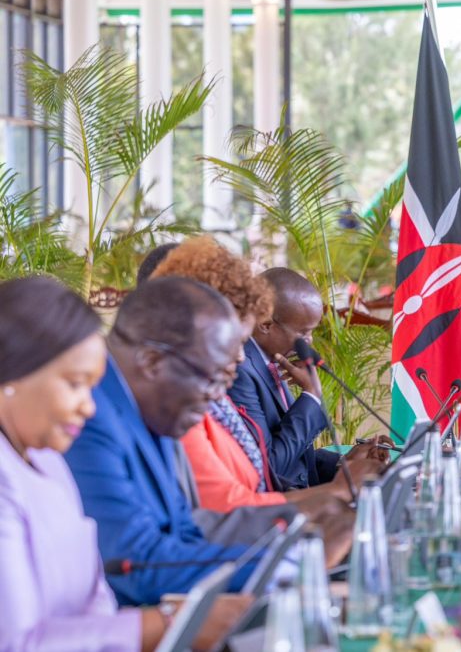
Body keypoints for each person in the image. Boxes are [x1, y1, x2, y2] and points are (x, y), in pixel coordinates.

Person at [0, 276, 249, 650]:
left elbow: (96, 598)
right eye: (74, 383)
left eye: (91, 384)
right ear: (12, 374)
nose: (88, 404)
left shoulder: (49, 462)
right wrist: (169, 623)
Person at [65, 277, 270, 605]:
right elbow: (135, 564)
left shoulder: (157, 408)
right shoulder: (88, 417)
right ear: (152, 362)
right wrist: (282, 569)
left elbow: (184, 535)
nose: (218, 397)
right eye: (213, 379)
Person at [152, 237, 377, 515]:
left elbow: (257, 474)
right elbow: (260, 479)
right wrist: (311, 398)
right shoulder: (201, 398)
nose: (240, 356)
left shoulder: (258, 369)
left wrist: (344, 467)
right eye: (233, 339)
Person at [228, 268, 382, 490]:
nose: (308, 342)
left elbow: (296, 458)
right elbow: (269, 466)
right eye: (302, 333)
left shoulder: (274, 358)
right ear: (265, 324)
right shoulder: (240, 372)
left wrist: (345, 463)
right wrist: (310, 395)